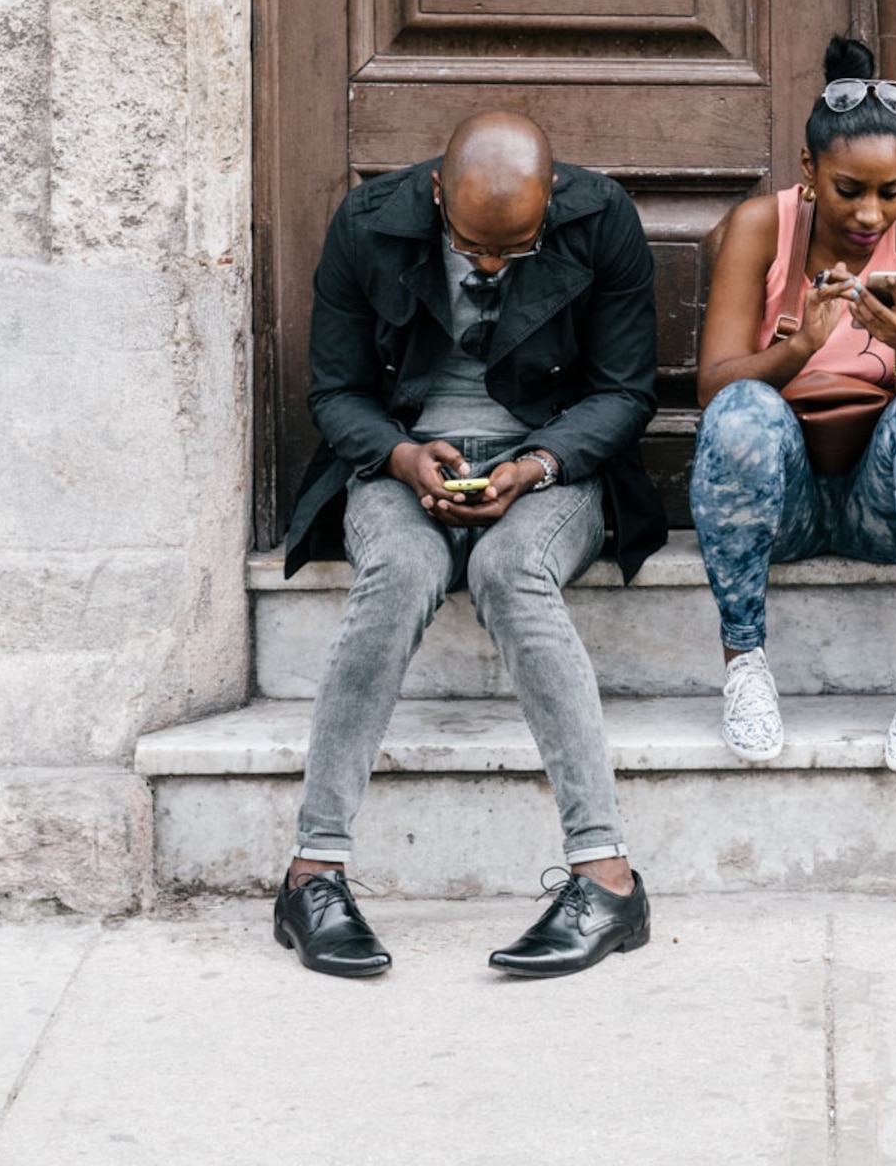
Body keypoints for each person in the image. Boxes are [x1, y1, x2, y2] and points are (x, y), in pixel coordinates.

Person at [272, 108, 667, 980]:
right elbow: (335, 391)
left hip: (549, 465)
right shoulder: (368, 223)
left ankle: (605, 880)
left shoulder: (601, 221)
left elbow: (623, 391)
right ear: (437, 191)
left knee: (511, 567)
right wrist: (402, 455)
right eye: (474, 247)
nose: (492, 267)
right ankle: (314, 874)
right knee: (401, 570)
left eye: (514, 251)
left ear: (552, 197)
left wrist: (534, 464)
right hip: (397, 458)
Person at [691, 37, 896, 775]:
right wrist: (795, 349)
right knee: (743, 412)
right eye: (850, 188)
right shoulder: (763, 227)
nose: (871, 212)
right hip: (782, 505)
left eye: (889, 190)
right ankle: (745, 666)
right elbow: (711, 389)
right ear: (808, 170)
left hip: (879, 505)